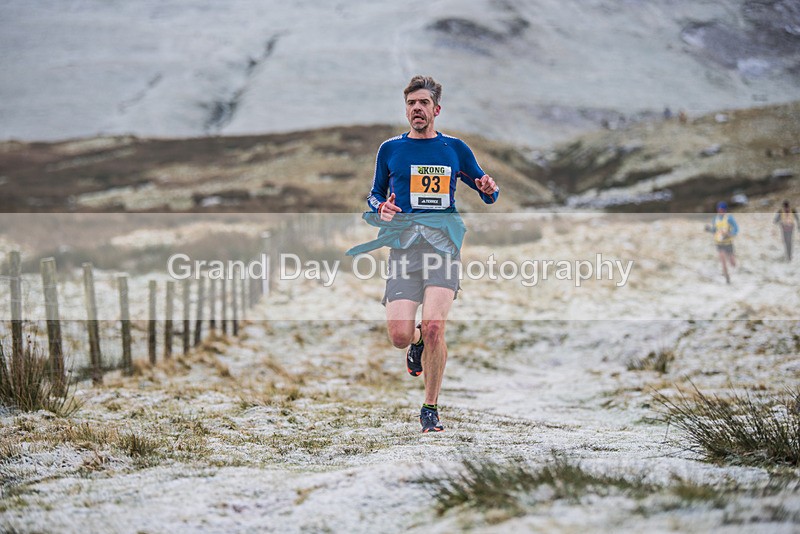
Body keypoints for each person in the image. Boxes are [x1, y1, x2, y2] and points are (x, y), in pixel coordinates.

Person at [346, 75, 499, 433]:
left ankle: (430, 408)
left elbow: (486, 190)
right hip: (404, 250)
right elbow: (373, 197)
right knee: (401, 334)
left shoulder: (454, 149)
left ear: (436, 109)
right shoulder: (390, 150)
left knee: (434, 326)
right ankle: (414, 345)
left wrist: (490, 189)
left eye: (423, 103)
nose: (417, 108)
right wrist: (380, 208)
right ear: (407, 109)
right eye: (411, 103)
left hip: (443, 249)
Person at [705, 201, 739, 284]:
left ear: (725, 210)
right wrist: (709, 229)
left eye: (722, 210)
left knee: (732, 263)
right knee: (723, 261)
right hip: (719, 243)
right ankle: (727, 279)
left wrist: (730, 234)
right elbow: (714, 230)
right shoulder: (715, 219)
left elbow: (736, 229)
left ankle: (735, 272)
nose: (720, 211)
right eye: (719, 210)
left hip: (728, 243)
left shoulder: (729, 218)